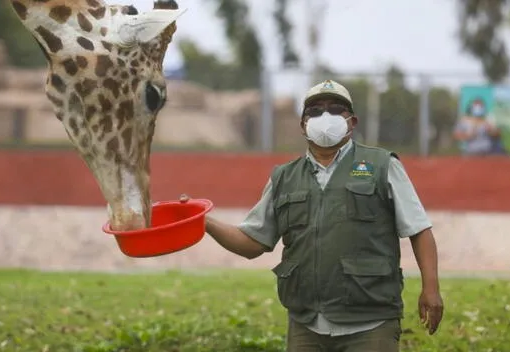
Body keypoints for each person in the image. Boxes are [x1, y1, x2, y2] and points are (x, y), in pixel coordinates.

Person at [182, 80, 444, 351]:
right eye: (315, 111)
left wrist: (431, 288)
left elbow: (419, 229)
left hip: (370, 323)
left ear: (352, 121)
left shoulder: (382, 165)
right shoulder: (284, 177)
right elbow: (252, 243)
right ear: (303, 124)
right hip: (306, 325)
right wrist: (203, 221)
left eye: (335, 109)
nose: (325, 117)